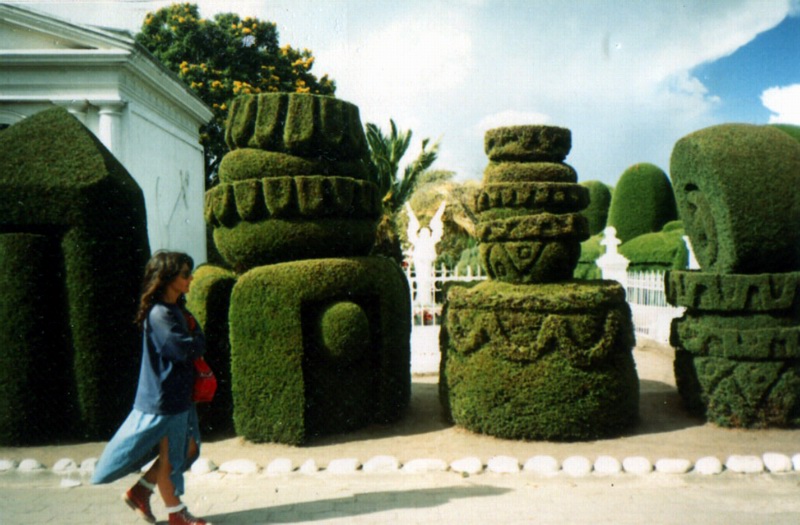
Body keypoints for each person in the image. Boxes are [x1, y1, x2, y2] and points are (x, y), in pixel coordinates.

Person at [92, 251, 211, 525]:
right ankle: (176, 513)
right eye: (185, 274)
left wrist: (195, 338)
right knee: (174, 454)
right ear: (168, 277)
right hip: (165, 398)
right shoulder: (160, 313)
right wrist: (197, 339)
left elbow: (190, 343)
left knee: (187, 449)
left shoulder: (175, 310)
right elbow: (183, 349)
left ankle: (141, 492)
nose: (190, 277)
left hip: (178, 395)